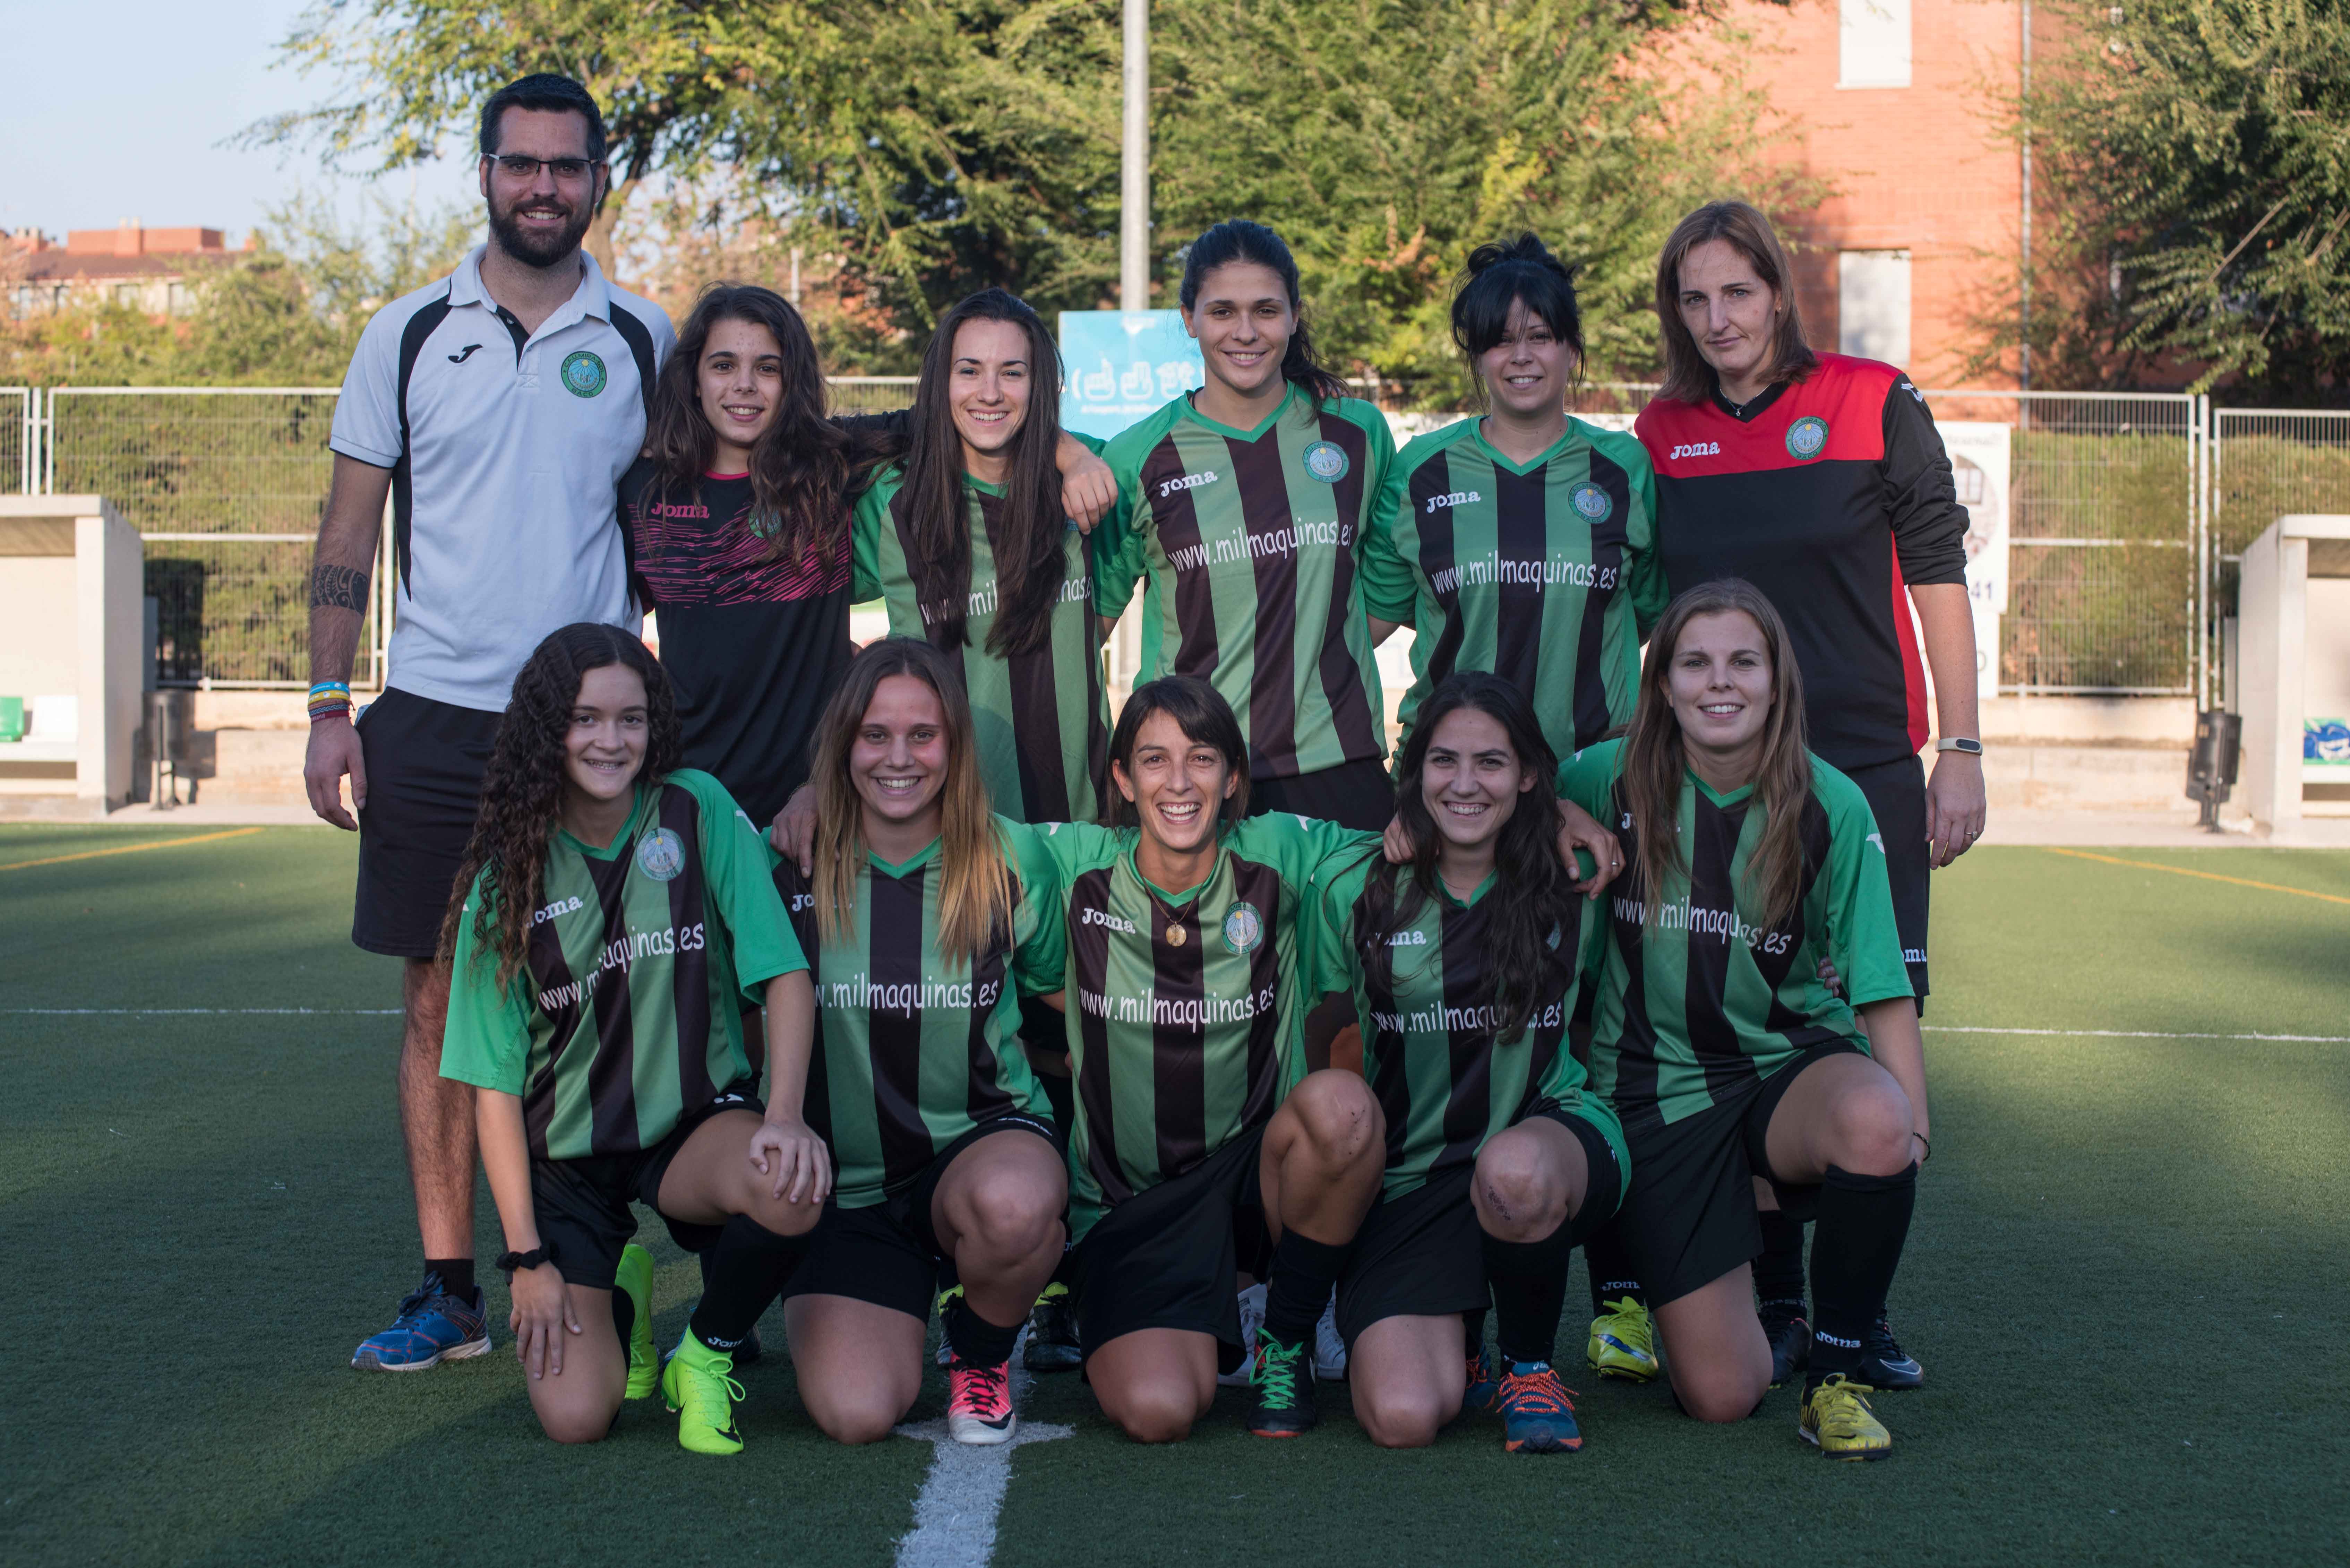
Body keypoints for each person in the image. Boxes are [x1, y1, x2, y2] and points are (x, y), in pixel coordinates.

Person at [308, 72, 679, 1372]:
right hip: (431, 718)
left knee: (598, 996)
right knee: (434, 1004)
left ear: (594, 183)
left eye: (565, 168)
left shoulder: (646, 337)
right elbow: (348, 536)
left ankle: (583, 1247)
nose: (541, 186)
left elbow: (687, 529)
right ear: (483, 174)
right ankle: (447, 1287)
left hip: (590, 725)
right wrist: (325, 707)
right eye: (519, 164)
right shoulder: (405, 332)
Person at [1634, 199, 1978, 1387]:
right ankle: (1775, 1299)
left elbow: (1934, 572)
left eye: (1736, 291)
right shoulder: (1657, 433)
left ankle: (1855, 1316)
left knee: (1869, 1043)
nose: (1716, 317)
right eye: (1693, 298)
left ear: (1777, 293)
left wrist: (1963, 750)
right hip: (1713, 789)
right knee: (1731, 1033)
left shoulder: (1873, 400)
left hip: (1865, 779)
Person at [1556, 580, 1928, 1460]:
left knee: (1879, 1120)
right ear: (1664, 683)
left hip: (1782, 1069)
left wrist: (1911, 1127)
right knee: (1721, 1395)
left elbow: (1879, 984)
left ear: (1776, 680)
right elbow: (1503, 796)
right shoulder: (1601, 776)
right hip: (1655, 1094)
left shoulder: (1830, 803)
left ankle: (1833, 1376)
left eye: (1742, 662)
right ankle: (1735, 1283)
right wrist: (1556, 811)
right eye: (1694, 662)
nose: (1718, 682)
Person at [434, 623, 826, 1455]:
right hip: (567, 1159)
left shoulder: (695, 806)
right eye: (585, 719)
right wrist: (527, 1259)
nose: (611, 740)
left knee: (790, 1184)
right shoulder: (509, 879)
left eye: (632, 718)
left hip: (687, 1127)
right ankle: (619, 1292)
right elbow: (492, 1089)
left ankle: (704, 1351)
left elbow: (783, 973)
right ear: (548, 728)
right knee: (579, 1419)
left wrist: (784, 1115)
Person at [845, 287, 1110, 1371]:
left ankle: (1076, 1273)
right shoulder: (891, 509)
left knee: (1076, 1054)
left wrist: (1074, 455)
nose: (990, 392)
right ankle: (946, 1257)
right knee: (965, 1050)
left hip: (1075, 826)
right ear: (937, 384)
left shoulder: (1097, 501)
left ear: (1041, 384)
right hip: (948, 837)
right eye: (968, 371)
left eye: (1013, 372)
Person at [1025, 676, 1388, 1441]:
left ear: (1232, 779)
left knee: (1343, 1109)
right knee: (1159, 1411)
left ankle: (1284, 1323)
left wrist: (1544, 812)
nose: (1179, 782)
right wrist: (821, 800)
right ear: (1122, 778)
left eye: (1202, 757)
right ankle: (1201, 1310)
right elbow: (948, 827)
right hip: (1130, 1209)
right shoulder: (1076, 867)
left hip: (1254, 1182)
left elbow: (1406, 844)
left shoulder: (1281, 855)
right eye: (1154, 760)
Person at [624, 283, 1116, 837]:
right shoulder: (644, 491)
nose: (744, 385)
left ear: (793, 381)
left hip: (814, 805)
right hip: (691, 799)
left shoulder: (827, 472)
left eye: (767, 367)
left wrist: (1070, 453)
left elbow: (959, 415)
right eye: (723, 365)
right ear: (693, 376)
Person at [1311, 673, 1627, 1454]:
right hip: (1414, 1178)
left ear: (1527, 775)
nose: (1463, 782)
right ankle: (1464, 1340)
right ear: (1414, 772)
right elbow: (1328, 1046)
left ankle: (1528, 1365)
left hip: (1546, 1143)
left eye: (1491, 762)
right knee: (1402, 1416)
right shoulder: (1358, 883)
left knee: (1514, 1172)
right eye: (1443, 761)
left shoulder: (1576, 876)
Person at [766, 639, 1070, 1447]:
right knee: (857, 1411)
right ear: (843, 743)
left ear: (956, 745)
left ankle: (980, 1348)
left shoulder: (1013, 859)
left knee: (1016, 1204)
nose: (898, 757)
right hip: (844, 1190)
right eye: (875, 735)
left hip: (974, 1148)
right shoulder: (792, 864)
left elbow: (1053, 1002)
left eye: (923, 735)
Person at [1090, 219, 1399, 832]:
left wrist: (1304, 658)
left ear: (1292, 315)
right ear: (1188, 319)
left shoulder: (1358, 433)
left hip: (1338, 763)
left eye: (1265, 309)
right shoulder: (1137, 458)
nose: (1246, 331)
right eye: (1223, 311)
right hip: (1193, 776)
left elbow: (1390, 591)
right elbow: (1089, 619)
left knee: (1350, 932)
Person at [1362, 234, 1666, 763]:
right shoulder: (1420, 471)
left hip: (1596, 775)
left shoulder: (1626, 469)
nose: (1521, 356)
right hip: (1454, 784)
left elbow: (1645, 615)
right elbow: (1365, 624)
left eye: (1541, 336)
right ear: (1477, 356)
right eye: (1500, 340)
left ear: (1572, 349)